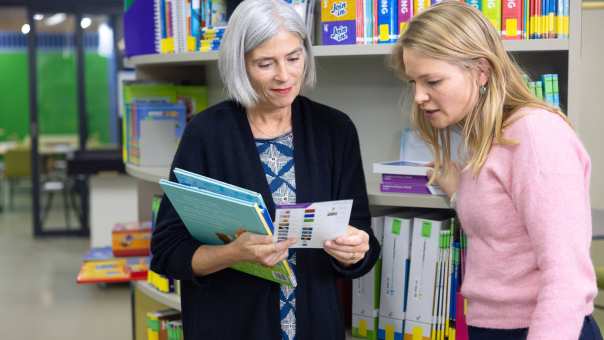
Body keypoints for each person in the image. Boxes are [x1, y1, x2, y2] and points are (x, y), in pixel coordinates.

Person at [150, 1, 380, 339]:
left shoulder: (335, 130)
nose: (284, 76)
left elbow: (363, 241)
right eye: (265, 63)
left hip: (316, 325)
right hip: (231, 325)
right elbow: (168, 252)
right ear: (239, 64)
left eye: (293, 57)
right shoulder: (207, 134)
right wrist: (233, 253)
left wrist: (355, 251)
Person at [391, 2, 602, 340]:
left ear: (481, 71)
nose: (418, 96)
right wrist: (458, 188)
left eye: (432, 81)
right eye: (412, 81)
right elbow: (506, 230)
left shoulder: (535, 136)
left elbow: (568, 279)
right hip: (494, 327)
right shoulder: (487, 139)